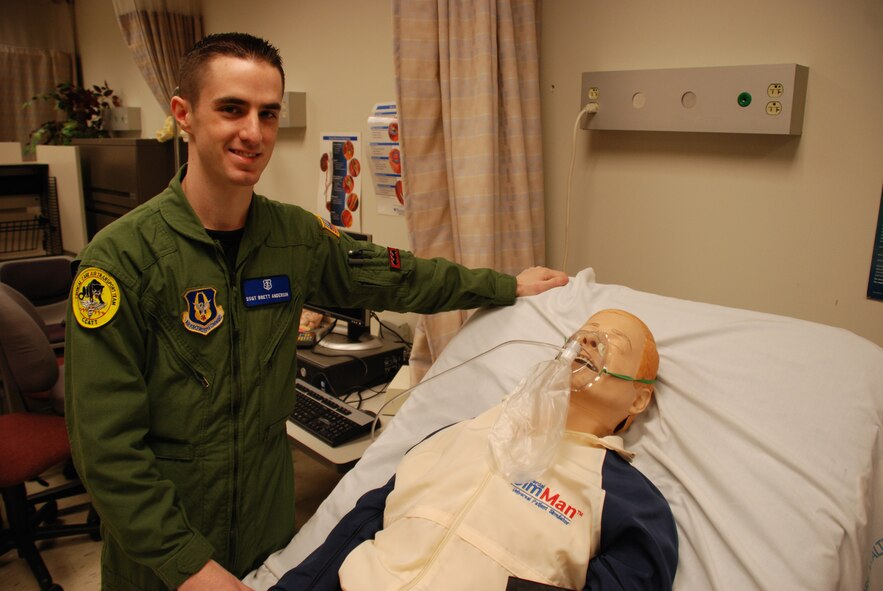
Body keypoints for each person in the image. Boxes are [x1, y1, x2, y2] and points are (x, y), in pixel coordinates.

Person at [64, 32, 567, 591]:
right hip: (161, 558)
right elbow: (107, 449)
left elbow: (398, 276)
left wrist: (505, 286)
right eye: (232, 109)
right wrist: (187, 566)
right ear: (184, 114)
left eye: (268, 113)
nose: (253, 133)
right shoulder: (120, 261)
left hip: (266, 533)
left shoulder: (293, 238)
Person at [272, 309, 678, 591]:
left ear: (638, 401)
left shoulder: (633, 504)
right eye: (584, 332)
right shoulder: (464, 432)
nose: (587, 339)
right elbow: (363, 523)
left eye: (614, 341)